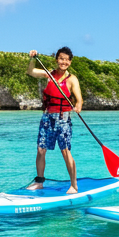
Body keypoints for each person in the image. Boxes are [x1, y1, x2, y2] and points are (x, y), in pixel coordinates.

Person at [27, 47, 83, 193]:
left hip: (63, 119)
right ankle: (39, 182)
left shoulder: (72, 79)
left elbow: (79, 99)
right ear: (56, 59)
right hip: (47, 118)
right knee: (40, 150)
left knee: (65, 151)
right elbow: (31, 72)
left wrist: (78, 106)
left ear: (70, 62)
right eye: (61, 59)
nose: (63, 62)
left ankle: (73, 185)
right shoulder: (49, 74)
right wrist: (32, 59)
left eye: (66, 60)